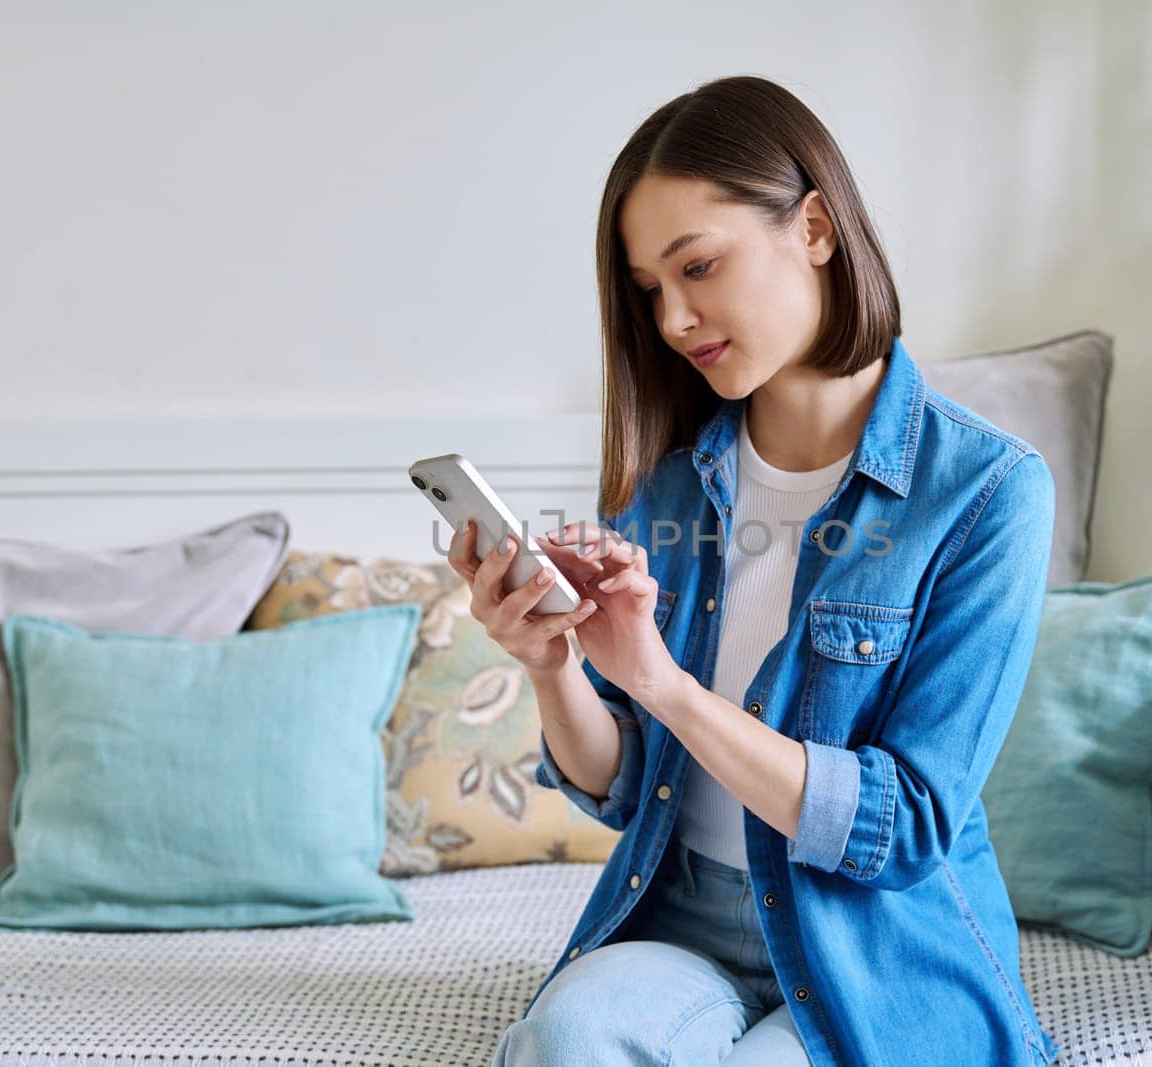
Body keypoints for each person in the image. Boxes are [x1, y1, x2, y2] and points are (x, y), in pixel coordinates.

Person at [448, 74, 1060, 1067]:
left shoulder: (986, 490)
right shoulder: (665, 484)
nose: (675, 317)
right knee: (565, 1040)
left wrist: (665, 685)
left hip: (875, 942)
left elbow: (904, 824)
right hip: (682, 920)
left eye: (698, 266)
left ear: (815, 228)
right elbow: (621, 783)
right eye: (650, 291)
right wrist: (554, 662)